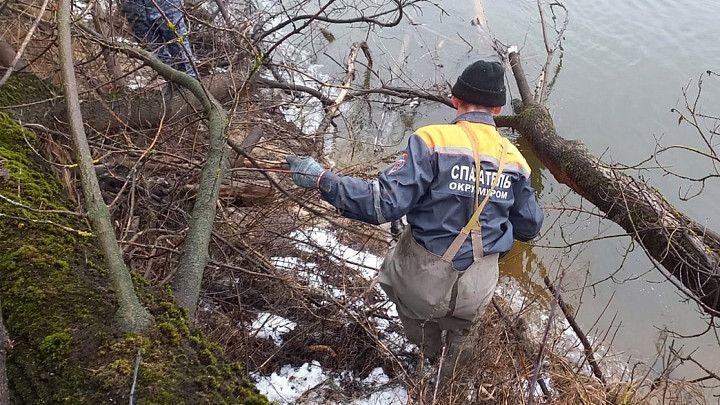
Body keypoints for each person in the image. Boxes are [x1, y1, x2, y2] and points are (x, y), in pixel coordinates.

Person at [286, 60, 544, 380]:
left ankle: (428, 359)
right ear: (498, 108)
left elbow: (382, 206)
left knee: (420, 322)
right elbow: (530, 227)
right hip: (478, 287)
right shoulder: (516, 161)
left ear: (455, 100)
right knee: (463, 333)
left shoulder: (432, 140)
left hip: (422, 286)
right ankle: (448, 384)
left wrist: (321, 179)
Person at [121, 0, 197, 78]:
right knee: (152, 49)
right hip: (133, 7)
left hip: (165, 4)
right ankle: (172, 80)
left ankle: (190, 80)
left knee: (178, 44)